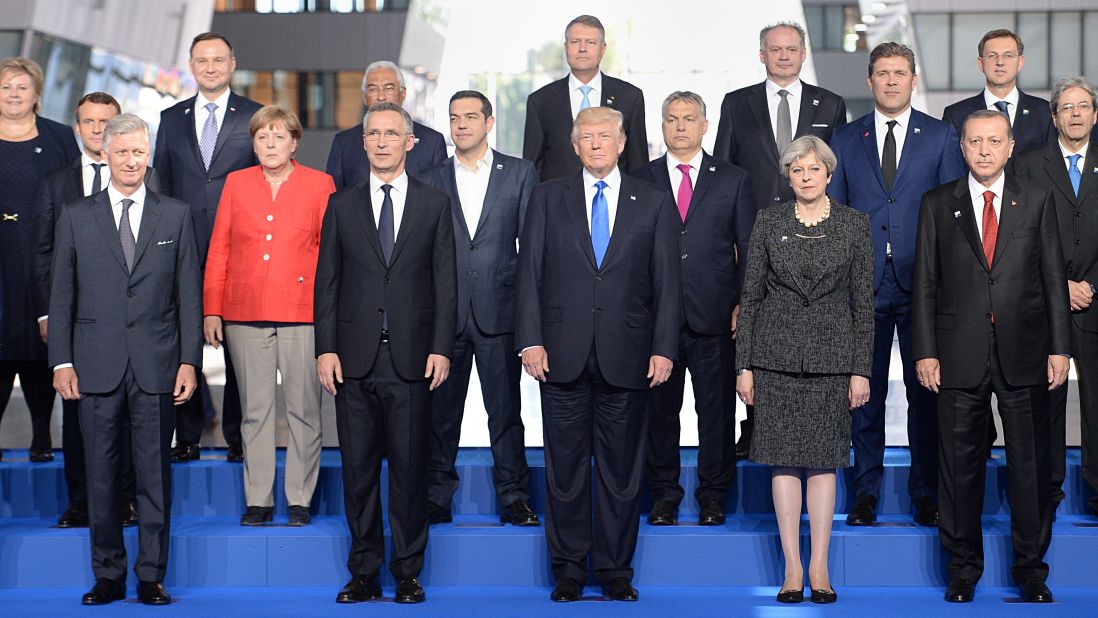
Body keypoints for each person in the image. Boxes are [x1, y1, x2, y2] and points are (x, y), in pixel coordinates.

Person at [516, 106, 680, 603]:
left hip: (628, 355)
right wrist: (530, 339)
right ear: (574, 145)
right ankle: (568, 569)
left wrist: (664, 348)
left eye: (604, 136)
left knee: (622, 471)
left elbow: (667, 284)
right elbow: (529, 275)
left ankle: (613, 569)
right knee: (564, 471)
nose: (595, 144)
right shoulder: (547, 198)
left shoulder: (652, 201)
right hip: (559, 355)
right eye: (586, 136)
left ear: (622, 142)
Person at [913, 109, 1069, 604]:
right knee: (959, 470)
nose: (984, 150)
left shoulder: (1038, 200)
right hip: (957, 355)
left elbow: (1051, 281)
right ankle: (962, 569)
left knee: (1030, 467)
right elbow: (924, 286)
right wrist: (926, 352)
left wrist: (1060, 347)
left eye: (993, 141)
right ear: (962, 147)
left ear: (1010, 147)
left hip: (1025, 353)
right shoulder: (938, 204)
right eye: (975, 141)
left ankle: (1031, 570)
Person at [49, 113, 202, 606]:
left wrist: (189, 361)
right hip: (94, 365)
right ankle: (108, 575)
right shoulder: (75, 214)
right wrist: (61, 362)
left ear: (148, 154)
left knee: (155, 475)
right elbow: (62, 296)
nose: (132, 161)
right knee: (101, 474)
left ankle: (152, 575)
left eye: (139, 152)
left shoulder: (175, 214)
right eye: (122, 152)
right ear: (106, 155)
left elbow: (188, 297)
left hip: (157, 365)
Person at [315, 101, 456, 605]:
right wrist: (325, 347)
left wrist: (441, 348)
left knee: (410, 473)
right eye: (372, 133)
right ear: (364, 141)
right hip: (352, 360)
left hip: (415, 360)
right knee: (357, 475)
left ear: (409, 142)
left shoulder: (435, 204)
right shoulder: (341, 204)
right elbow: (326, 282)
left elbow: (446, 283)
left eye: (391, 133)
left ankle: (408, 572)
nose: (380, 142)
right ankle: (364, 572)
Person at [829, 42, 965, 527]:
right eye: (882, 73)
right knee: (862, 397)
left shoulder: (942, 136)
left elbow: (954, 215)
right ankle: (865, 492)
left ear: (913, 79)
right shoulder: (846, 139)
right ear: (870, 82)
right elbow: (837, 218)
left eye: (899, 73)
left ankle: (925, 492)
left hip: (923, 286)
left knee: (924, 392)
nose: (891, 81)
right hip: (860, 288)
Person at [736, 135, 873, 605]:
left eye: (814, 170)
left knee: (825, 462)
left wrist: (862, 369)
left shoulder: (855, 225)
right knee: (784, 460)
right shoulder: (768, 221)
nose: (807, 177)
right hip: (774, 358)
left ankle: (820, 567)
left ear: (829, 176)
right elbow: (750, 298)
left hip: (833, 360)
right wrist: (745, 366)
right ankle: (792, 567)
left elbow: (864, 307)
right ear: (788, 176)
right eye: (798, 170)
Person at [712, 21, 847, 458]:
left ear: (803, 53)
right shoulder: (737, 103)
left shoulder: (830, 103)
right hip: (753, 235)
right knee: (758, 325)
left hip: (814, 235)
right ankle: (755, 425)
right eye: (775, 49)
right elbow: (725, 172)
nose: (784, 56)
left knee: (804, 328)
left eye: (791, 49)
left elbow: (836, 175)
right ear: (762, 55)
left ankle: (811, 425)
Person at [203, 105, 333, 527]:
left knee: (303, 409)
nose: (270, 144)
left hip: (302, 312)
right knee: (253, 412)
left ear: (295, 142)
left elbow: (331, 255)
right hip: (245, 312)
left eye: (279, 137)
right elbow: (219, 248)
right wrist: (212, 308)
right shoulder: (236, 184)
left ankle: (299, 498)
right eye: (262, 137)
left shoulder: (320, 184)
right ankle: (257, 499)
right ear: (253, 143)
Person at [631, 91, 755, 526]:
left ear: (705, 126)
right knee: (659, 413)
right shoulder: (639, 178)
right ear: (661, 126)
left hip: (716, 316)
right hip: (654, 320)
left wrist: (743, 303)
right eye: (671, 119)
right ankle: (664, 494)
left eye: (688, 119)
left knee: (716, 412)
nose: (679, 126)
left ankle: (713, 495)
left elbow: (748, 248)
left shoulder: (733, 179)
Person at [423, 90, 539, 527]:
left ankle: (514, 497)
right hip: (445, 315)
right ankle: (436, 497)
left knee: (506, 413)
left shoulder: (520, 173)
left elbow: (530, 249)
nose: (462, 125)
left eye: (471, 117)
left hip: (500, 310)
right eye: (454, 118)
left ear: (489, 123)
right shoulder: (431, 177)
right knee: (441, 415)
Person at [33, 92, 144, 529]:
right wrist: (47, 315)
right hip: (78, 324)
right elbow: (42, 255)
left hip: (133, 324)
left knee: (132, 420)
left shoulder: (147, 179)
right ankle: (80, 501)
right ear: (76, 128)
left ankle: (128, 500)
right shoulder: (55, 184)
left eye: (106, 122)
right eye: (89, 122)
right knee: (78, 416)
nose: (98, 130)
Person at [154, 32, 262, 463]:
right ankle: (189, 434)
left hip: (241, 250)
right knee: (184, 343)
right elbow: (159, 181)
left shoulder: (255, 116)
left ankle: (238, 436)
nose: (211, 67)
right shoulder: (171, 118)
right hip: (180, 249)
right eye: (203, 60)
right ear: (191, 66)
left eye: (219, 59)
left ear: (232, 63)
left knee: (239, 346)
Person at [1014, 77, 1098, 519]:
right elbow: (1018, 234)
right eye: (1067, 108)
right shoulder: (1028, 165)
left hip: (1096, 300)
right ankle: (1047, 488)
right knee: (1045, 399)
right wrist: (1058, 284)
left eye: (1084, 106)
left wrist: (1090, 285)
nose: (1076, 114)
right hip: (1045, 302)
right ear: (1054, 117)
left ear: (1095, 114)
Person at [0, 57, 79, 462]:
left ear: (36, 95)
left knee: (40, 343)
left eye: (22, 87)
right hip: (1, 258)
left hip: (43, 252)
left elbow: (74, 190)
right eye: (6, 86)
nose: (13, 94)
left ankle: (42, 439)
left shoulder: (59, 136)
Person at [523, 14, 647, 182]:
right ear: (566, 47)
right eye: (575, 42)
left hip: (616, 201)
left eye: (591, 42)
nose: (582, 48)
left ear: (603, 48)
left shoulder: (630, 97)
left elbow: (638, 163)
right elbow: (532, 167)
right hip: (558, 201)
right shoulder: (540, 101)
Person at [325, 60, 446, 187]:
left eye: (388, 88)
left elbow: (441, 198)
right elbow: (335, 197)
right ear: (364, 97)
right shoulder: (344, 142)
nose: (381, 97)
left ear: (402, 94)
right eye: (372, 89)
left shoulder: (432, 141)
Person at [942, 30, 1053, 162]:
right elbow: (951, 168)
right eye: (992, 55)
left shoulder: (1044, 111)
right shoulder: (956, 115)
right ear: (981, 63)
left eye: (1008, 55)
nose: (1000, 62)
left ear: (1020, 62)